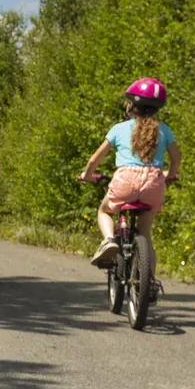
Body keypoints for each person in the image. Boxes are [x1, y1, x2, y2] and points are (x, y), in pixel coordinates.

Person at [76, 78, 181, 266]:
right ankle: (150, 284)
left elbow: (94, 160)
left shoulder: (119, 129)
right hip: (154, 184)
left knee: (104, 211)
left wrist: (88, 175)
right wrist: (170, 175)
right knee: (145, 233)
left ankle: (108, 241)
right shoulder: (164, 130)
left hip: (125, 181)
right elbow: (176, 158)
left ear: (132, 105)